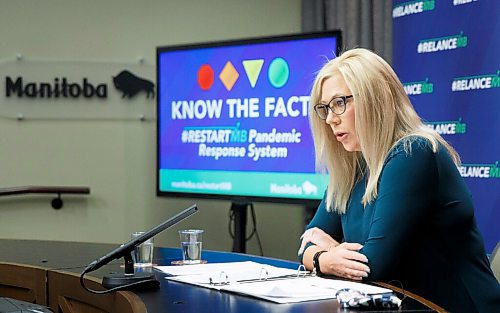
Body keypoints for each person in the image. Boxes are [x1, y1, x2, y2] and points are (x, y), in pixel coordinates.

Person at [298, 48, 500, 313]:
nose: (331, 119)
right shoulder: (355, 164)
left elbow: (373, 265)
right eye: (325, 108)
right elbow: (307, 243)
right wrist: (325, 257)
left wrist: (327, 252)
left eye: (339, 103)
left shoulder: (413, 153)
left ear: (375, 99)